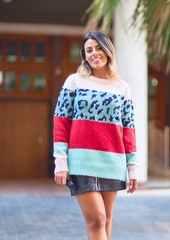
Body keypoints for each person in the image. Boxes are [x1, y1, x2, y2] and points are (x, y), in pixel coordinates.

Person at [53, 31, 138, 240]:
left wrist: (132, 166)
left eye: (99, 48)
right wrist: (60, 161)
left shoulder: (122, 88)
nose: (94, 53)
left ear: (108, 51)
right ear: (84, 55)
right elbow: (61, 121)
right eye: (89, 50)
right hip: (81, 161)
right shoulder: (74, 82)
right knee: (97, 219)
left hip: (112, 160)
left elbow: (128, 129)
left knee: (107, 219)